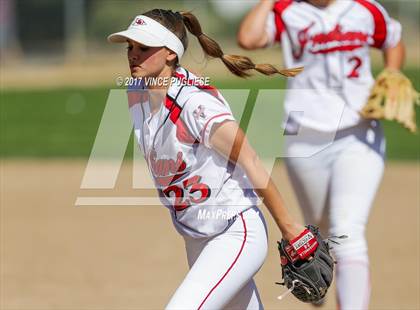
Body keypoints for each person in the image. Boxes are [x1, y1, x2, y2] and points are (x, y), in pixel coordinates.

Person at [108, 8, 313, 309]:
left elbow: (251, 160)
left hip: (234, 232)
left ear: (169, 53)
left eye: (144, 47)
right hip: (197, 240)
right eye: (130, 47)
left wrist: (291, 228)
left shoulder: (194, 103)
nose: (133, 55)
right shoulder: (137, 93)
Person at [237, 0, 404, 309]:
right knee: (319, 228)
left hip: (359, 130)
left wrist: (392, 71)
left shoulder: (365, 8)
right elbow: (248, 39)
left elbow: (392, 40)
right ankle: (320, 275)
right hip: (305, 137)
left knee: (348, 232)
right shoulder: (287, 10)